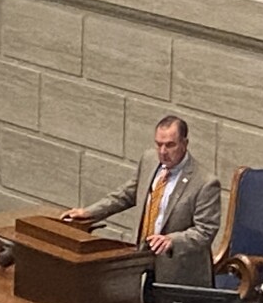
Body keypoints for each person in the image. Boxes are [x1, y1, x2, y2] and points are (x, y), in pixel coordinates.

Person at [63, 115, 221, 287]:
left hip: (179, 273)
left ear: (185, 143)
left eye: (170, 145)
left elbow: (205, 231)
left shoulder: (205, 182)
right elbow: (127, 193)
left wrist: (172, 240)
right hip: (142, 260)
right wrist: (90, 212)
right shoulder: (149, 160)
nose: (162, 152)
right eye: (158, 144)